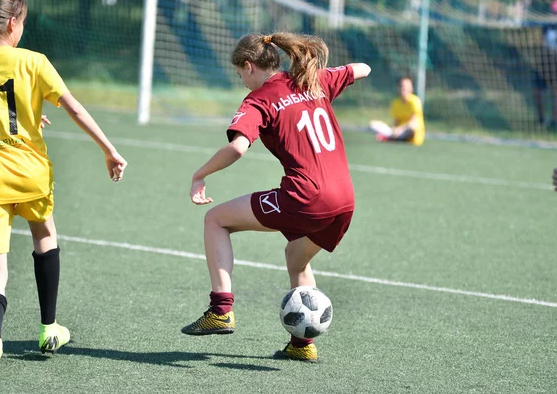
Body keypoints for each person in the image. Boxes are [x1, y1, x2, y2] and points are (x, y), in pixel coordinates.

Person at [0, 0, 128, 376]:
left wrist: (17, 119)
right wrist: (109, 150)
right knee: (45, 237)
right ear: (12, 25)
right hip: (31, 175)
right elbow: (74, 107)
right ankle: (49, 328)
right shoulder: (34, 62)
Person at [180, 32, 371, 362]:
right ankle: (302, 345)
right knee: (297, 258)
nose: (241, 81)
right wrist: (322, 73)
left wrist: (200, 175)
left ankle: (220, 309)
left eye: (239, 73)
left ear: (250, 66)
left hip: (305, 197)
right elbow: (363, 68)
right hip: (344, 201)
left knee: (216, 220)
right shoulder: (312, 80)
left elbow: (238, 147)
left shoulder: (259, 99)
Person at [368, 76, 425, 146]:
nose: (404, 89)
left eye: (407, 86)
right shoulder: (395, 103)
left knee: (412, 127)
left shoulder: (415, 101)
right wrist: (395, 130)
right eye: (402, 86)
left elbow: (413, 122)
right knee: (373, 124)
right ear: (398, 88)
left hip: (412, 136)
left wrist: (398, 129)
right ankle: (393, 137)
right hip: (398, 133)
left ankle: (391, 138)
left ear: (411, 88)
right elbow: (396, 122)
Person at [532, 22, 557, 129]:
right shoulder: (545, 25)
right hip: (544, 61)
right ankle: (541, 119)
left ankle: (554, 121)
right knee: (537, 91)